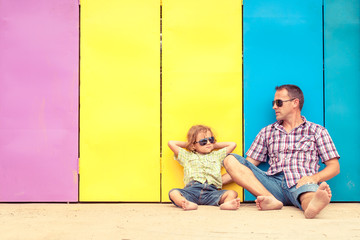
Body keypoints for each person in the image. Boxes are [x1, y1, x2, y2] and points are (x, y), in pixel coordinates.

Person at [222, 84, 340, 218]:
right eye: (274, 103)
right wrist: (215, 182)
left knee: (309, 194)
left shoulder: (317, 131)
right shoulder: (267, 132)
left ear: (295, 103)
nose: (274, 107)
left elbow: (334, 167)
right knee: (230, 159)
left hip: (301, 181)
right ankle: (271, 200)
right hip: (272, 185)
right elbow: (246, 166)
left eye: (279, 103)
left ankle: (311, 207)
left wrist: (314, 178)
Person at [168, 125, 240, 210]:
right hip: (192, 190)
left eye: (211, 140)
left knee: (232, 193)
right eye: (203, 141)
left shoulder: (217, 155)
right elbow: (171, 143)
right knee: (173, 192)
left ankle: (227, 204)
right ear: (193, 145)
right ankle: (185, 203)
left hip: (211, 192)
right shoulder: (187, 156)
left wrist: (213, 145)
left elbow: (232, 144)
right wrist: (189, 145)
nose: (208, 143)